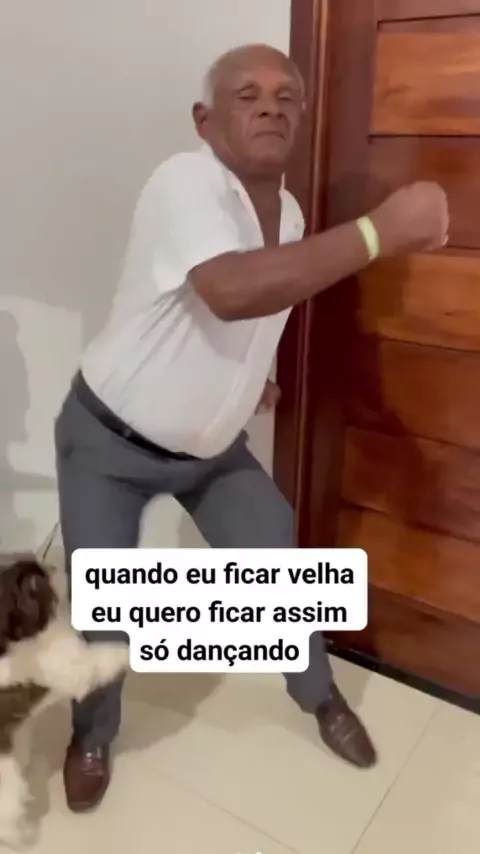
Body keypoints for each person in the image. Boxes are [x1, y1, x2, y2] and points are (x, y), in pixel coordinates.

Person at [55, 43, 449, 812]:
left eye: (286, 95)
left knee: (276, 555)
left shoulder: (291, 214)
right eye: (247, 94)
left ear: (301, 117)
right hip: (107, 442)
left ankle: (320, 697)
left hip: (209, 451)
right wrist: (378, 233)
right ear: (205, 120)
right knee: (106, 610)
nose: (270, 104)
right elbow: (232, 291)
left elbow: (253, 312)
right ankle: (91, 736)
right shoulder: (183, 181)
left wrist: (241, 380)